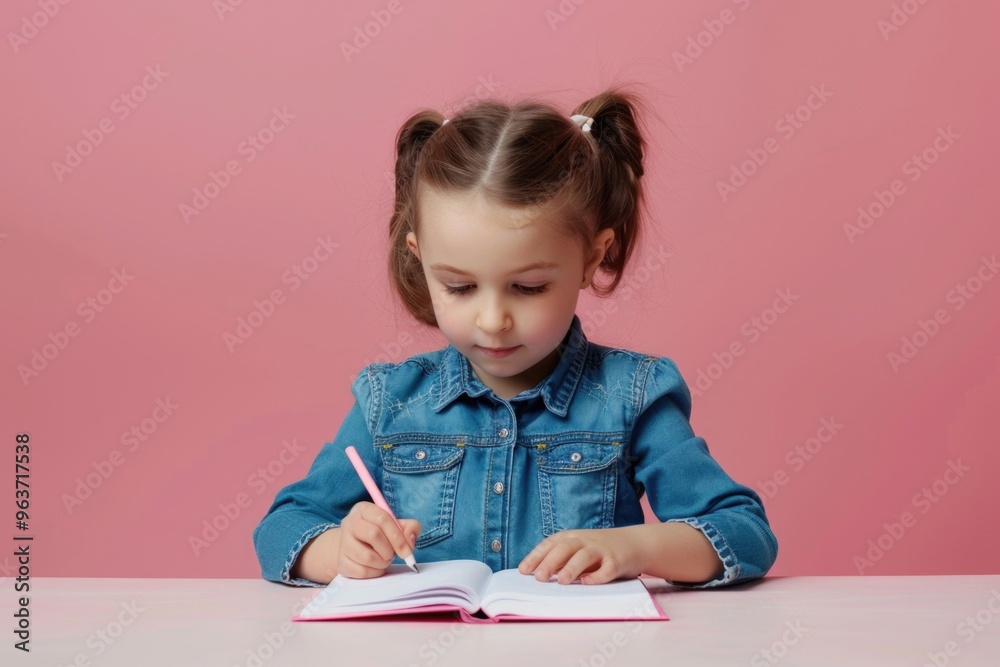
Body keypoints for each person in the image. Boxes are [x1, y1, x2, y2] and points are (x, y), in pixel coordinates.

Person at [253, 88, 778, 588]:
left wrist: (634, 547)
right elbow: (280, 531)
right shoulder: (389, 401)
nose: (493, 320)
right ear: (420, 257)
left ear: (590, 259)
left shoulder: (633, 394)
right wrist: (339, 550)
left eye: (527, 287)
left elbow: (744, 533)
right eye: (458, 286)